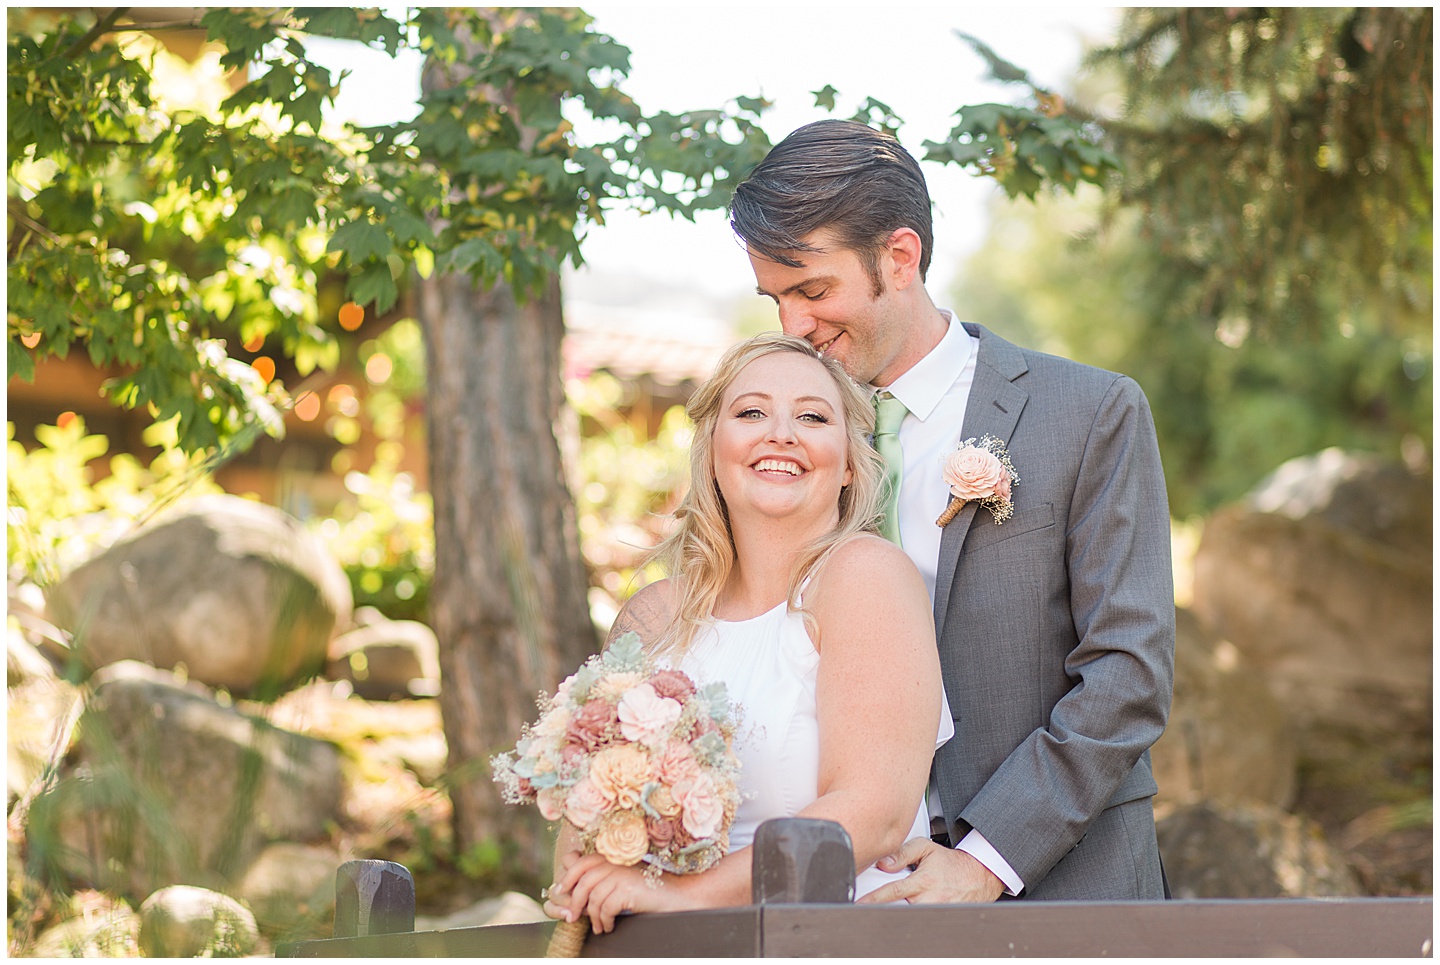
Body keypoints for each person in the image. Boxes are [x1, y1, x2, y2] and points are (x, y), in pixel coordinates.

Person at [727, 118, 1174, 902]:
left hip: (1062, 890)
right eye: (776, 298)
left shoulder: (1092, 412)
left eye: (813, 290)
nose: (792, 325)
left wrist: (987, 858)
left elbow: (1127, 671)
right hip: (847, 899)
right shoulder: (791, 448)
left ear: (899, 257)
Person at [543, 333, 953, 933]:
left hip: (834, 937)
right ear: (713, 448)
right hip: (661, 942)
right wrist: (585, 878)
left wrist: (688, 897)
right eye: (752, 412)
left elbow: (874, 813)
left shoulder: (866, 578)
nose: (780, 433)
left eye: (812, 417)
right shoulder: (652, 617)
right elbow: (587, 812)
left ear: (847, 464)